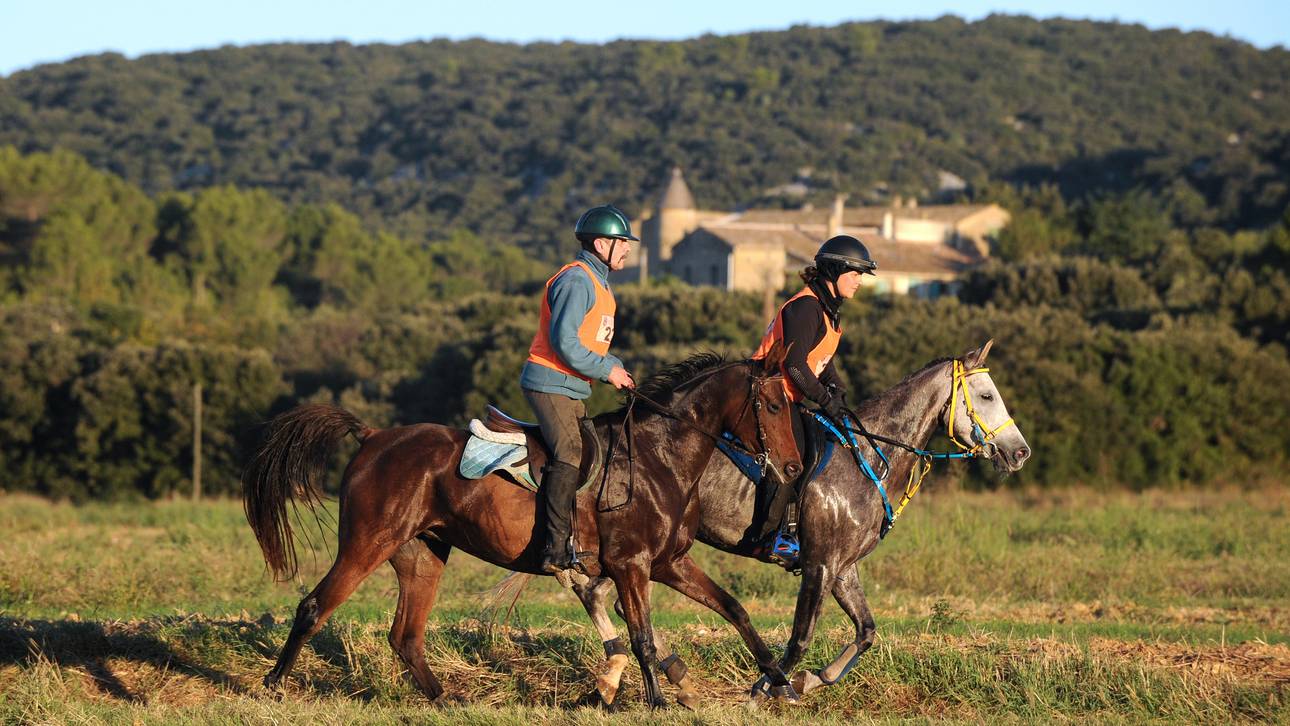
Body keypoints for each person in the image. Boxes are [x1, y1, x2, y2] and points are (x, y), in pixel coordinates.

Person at [521, 205, 636, 575]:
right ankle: (552, 547)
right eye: (622, 243)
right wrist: (607, 370)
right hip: (549, 383)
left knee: (593, 452)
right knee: (569, 452)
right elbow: (565, 344)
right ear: (601, 244)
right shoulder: (577, 281)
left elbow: (591, 343)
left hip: (572, 387)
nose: (628, 249)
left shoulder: (599, 283)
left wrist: (613, 364)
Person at [750, 234, 877, 561]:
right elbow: (793, 365)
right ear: (834, 272)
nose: (860, 281)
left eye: (861, 275)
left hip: (787, 396)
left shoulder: (828, 310)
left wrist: (837, 387)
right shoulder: (806, 307)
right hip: (767, 391)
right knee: (797, 453)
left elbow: (821, 359)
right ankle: (775, 535)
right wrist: (824, 399)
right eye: (855, 273)